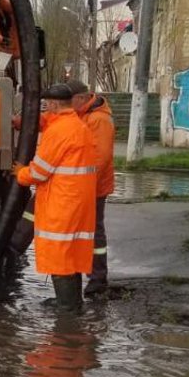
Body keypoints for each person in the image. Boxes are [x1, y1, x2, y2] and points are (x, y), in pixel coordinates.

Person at [14, 83, 97, 309]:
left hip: (62, 203)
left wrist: (20, 173)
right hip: (77, 201)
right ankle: (71, 301)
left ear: (52, 104)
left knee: (60, 255)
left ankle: (67, 308)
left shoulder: (58, 131)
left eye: (47, 105)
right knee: (71, 254)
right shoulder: (76, 126)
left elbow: (39, 172)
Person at [66, 79, 115, 294]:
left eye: (69, 101)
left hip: (93, 188)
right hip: (82, 187)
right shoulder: (82, 114)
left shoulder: (99, 120)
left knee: (94, 233)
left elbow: (99, 159)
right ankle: (84, 274)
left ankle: (97, 279)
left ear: (82, 98)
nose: (67, 106)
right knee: (84, 232)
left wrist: (80, 183)